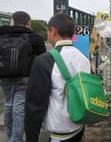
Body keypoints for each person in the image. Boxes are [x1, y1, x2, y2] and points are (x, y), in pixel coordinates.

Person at [25, 13, 90, 142]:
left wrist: (31, 137)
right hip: (79, 125)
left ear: (53, 31)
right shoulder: (84, 59)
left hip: (60, 131)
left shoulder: (44, 61)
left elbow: (35, 105)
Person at [0, 11, 46, 142]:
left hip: (4, 76)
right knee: (19, 106)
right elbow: (42, 57)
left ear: (13, 21)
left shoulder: (2, 34)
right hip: (25, 77)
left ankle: (10, 136)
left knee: (8, 104)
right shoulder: (33, 37)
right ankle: (16, 139)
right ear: (28, 23)